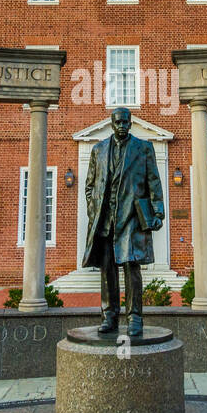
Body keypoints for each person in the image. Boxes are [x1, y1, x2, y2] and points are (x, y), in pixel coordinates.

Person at [82, 107, 165, 337]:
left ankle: (134, 318)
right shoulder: (98, 150)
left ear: (130, 123)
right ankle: (109, 315)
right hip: (105, 219)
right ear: (111, 123)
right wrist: (94, 210)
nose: (121, 126)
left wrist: (158, 212)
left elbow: (154, 182)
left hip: (131, 217)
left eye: (125, 122)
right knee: (107, 269)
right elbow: (89, 186)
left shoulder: (144, 148)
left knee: (132, 267)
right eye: (118, 122)